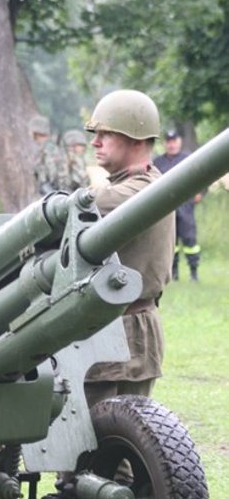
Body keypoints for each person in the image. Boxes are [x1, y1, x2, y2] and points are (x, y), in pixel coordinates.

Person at [82, 89, 175, 406]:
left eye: (105, 134)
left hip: (121, 330)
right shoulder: (145, 184)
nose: (95, 142)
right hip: (125, 329)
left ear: (136, 139)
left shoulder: (133, 192)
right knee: (119, 440)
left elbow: (74, 210)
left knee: (103, 443)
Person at [154, 130, 202, 281]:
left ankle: (193, 272)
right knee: (170, 240)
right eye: (168, 141)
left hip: (185, 204)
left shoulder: (189, 159)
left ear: (179, 142)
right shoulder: (158, 162)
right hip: (165, 205)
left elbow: (200, 176)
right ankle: (173, 272)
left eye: (174, 141)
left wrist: (199, 192)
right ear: (164, 144)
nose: (171, 144)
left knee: (189, 239)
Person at [30, 114, 70, 197]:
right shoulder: (51, 147)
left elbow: (54, 177)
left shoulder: (48, 150)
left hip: (52, 197)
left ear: (35, 132)